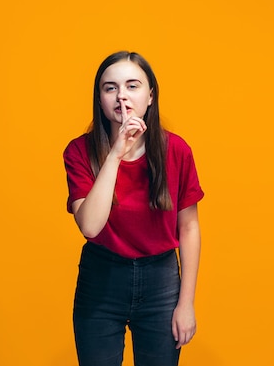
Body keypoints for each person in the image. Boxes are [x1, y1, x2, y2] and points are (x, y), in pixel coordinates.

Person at [63, 51, 204, 366]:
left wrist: (186, 303)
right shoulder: (79, 151)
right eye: (110, 88)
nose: (121, 96)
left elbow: (189, 227)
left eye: (132, 86)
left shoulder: (177, 150)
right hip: (102, 279)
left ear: (150, 95)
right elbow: (90, 226)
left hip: (161, 281)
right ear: (99, 99)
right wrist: (115, 153)